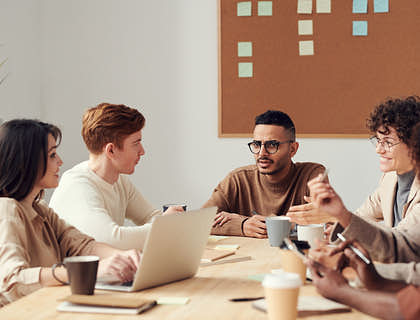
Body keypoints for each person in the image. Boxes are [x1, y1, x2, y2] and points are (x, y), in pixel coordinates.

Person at [0, 119, 140, 306]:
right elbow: (11, 280)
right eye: (52, 155)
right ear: (25, 161)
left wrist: (127, 257)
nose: (60, 161)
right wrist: (88, 271)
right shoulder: (6, 209)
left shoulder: (40, 209)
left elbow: (82, 245)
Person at [50, 103, 184, 250]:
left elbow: (150, 216)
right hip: (74, 272)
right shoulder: (77, 186)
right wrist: (163, 226)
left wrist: (167, 222)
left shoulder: (119, 181)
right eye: (136, 143)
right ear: (111, 150)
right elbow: (112, 240)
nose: (142, 151)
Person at [288, 96, 420, 228]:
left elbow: (402, 238)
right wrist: (336, 219)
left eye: (388, 142)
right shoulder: (390, 179)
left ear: (415, 144)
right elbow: (361, 217)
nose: (378, 150)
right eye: (378, 140)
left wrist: (337, 216)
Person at [203, 110, 325, 238]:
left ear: (292, 149)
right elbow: (201, 221)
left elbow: (322, 220)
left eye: (272, 145)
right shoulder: (238, 179)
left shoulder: (312, 175)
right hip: (249, 256)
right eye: (256, 144)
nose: (261, 153)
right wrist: (243, 225)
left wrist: (244, 220)